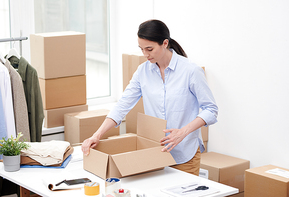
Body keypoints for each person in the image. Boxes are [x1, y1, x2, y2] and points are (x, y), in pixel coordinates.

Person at [81, 19, 218, 176]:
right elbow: (122, 105)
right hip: (155, 154)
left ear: (165, 43)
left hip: (184, 155)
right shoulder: (142, 72)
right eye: (141, 49)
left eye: (149, 49)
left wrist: (182, 132)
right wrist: (96, 135)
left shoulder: (190, 71)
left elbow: (211, 110)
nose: (145, 54)